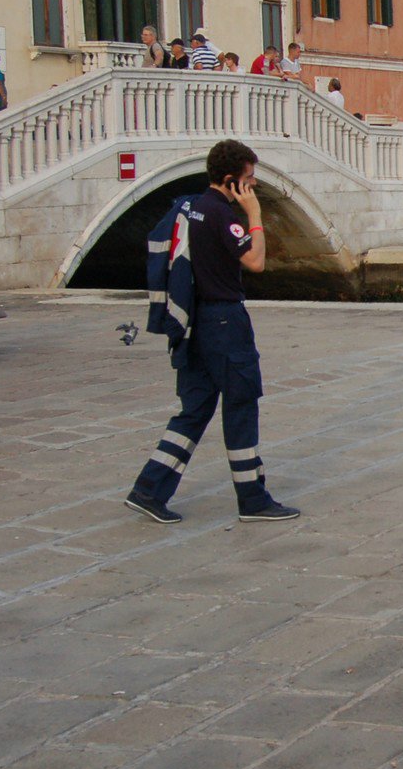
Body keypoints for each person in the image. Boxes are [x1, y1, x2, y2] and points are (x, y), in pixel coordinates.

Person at [125, 139, 300, 525]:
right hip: (225, 322)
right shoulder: (223, 215)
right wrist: (254, 214)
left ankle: (149, 489)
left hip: (195, 324)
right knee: (241, 403)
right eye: (249, 180)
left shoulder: (190, 208)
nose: (253, 187)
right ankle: (252, 498)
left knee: (195, 409)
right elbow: (256, 261)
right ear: (230, 180)